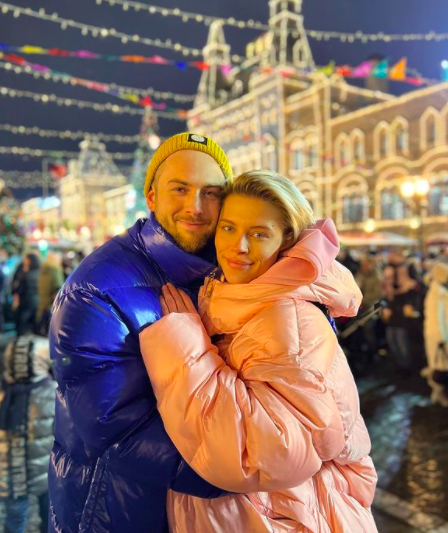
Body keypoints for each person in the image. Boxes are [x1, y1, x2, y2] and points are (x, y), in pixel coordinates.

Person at [141, 171, 378, 533]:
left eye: (258, 234)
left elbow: (263, 454)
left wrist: (184, 346)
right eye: (228, 228)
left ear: (286, 240)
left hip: (283, 518)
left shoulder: (287, 319)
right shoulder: (240, 299)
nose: (238, 246)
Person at [48, 133, 233, 533]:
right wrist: (238, 474)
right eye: (180, 189)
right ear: (151, 197)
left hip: (199, 515)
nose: (196, 207)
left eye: (212, 193)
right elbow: (115, 427)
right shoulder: (97, 287)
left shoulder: (230, 269)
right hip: (117, 510)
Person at [0, 333, 56, 533]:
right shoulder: (53, 392)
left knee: (15, 518)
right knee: (50, 516)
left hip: (13, 474)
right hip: (46, 471)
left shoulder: (5, 395)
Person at [421, 262, 448, 406]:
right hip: (440, 337)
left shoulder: (437, 291)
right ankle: (438, 393)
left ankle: (437, 392)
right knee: (440, 367)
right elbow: (437, 320)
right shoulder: (438, 294)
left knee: (439, 366)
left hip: (440, 336)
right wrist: (441, 339)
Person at [11, 253, 40, 336]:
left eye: (26, 259)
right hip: (35, 301)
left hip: (25, 301)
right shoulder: (38, 273)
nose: (24, 260)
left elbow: (18, 288)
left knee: (21, 323)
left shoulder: (25, 274)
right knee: (32, 323)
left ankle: (20, 339)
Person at [36, 252, 64, 336]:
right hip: (50, 305)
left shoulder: (42, 270)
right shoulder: (55, 271)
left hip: (41, 302)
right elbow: (58, 289)